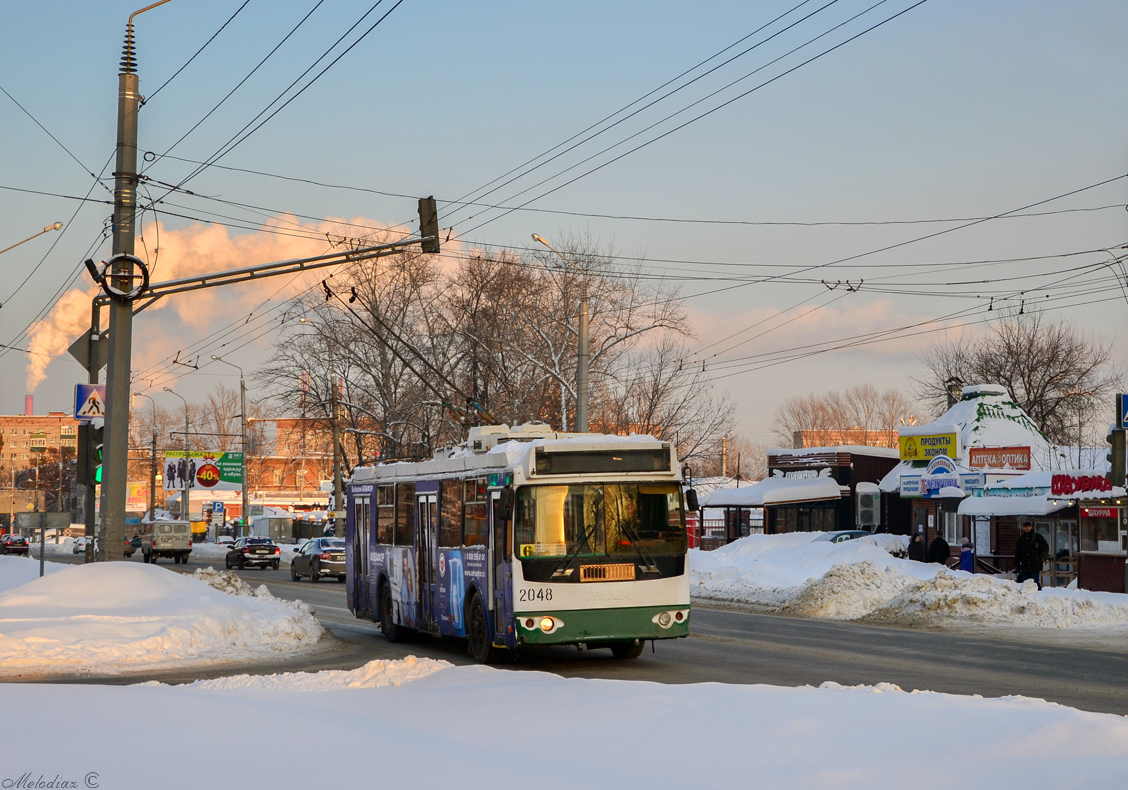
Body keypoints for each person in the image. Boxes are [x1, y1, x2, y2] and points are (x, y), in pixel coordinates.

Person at [1014, 519, 1049, 589]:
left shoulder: (1037, 537)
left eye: (1028, 527)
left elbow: (1045, 547)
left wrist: (1036, 545)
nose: (1027, 528)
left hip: (1035, 564)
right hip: (1025, 565)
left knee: (1035, 582)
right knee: (1024, 583)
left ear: (1031, 527)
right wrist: (1017, 564)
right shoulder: (1021, 539)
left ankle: (1038, 595)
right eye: (1025, 527)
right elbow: (1018, 553)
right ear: (1023, 528)